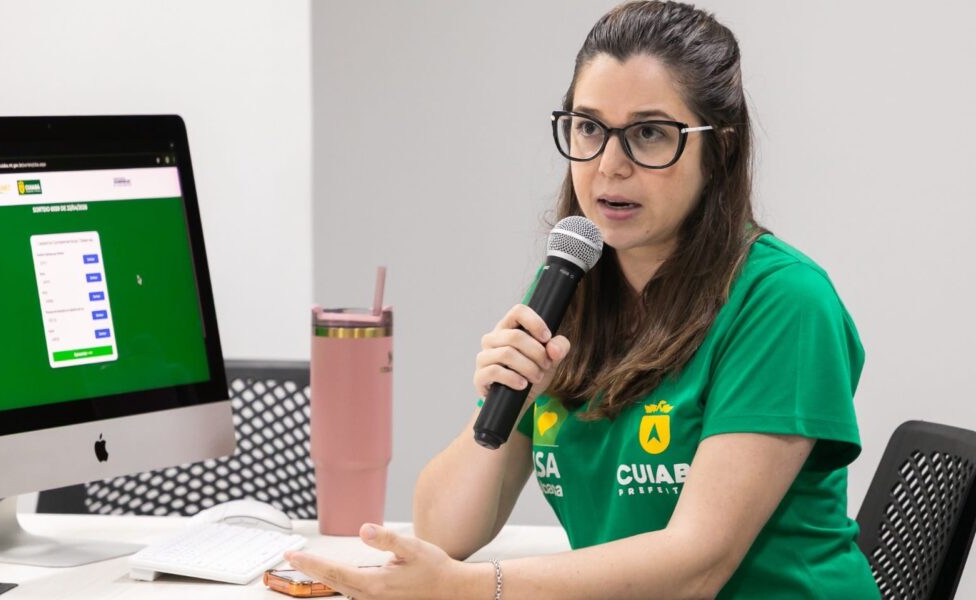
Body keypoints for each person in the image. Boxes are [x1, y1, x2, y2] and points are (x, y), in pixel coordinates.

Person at [285, 2, 881, 598]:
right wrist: (506, 402)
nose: (608, 167)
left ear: (719, 149)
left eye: (649, 133)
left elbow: (696, 566)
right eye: (589, 128)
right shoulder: (572, 284)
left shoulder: (783, 302)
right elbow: (442, 534)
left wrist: (472, 589)